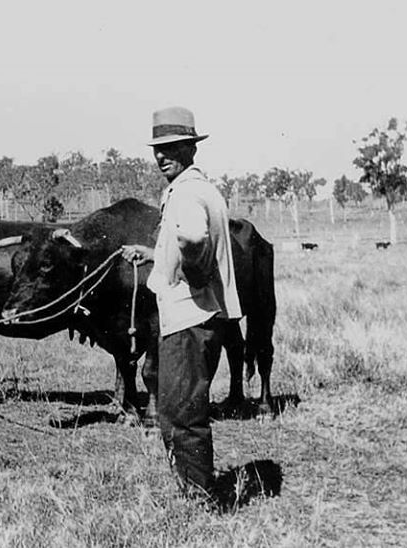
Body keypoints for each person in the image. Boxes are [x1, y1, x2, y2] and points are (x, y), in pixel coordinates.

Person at [121, 106, 242, 499]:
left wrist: (193, 273)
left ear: (191, 148)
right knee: (181, 406)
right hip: (203, 316)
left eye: (171, 147)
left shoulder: (185, 192)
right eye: (158, 148)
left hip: (188, 319)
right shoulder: (204, 188)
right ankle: (194, 488)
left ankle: (199, 498)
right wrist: (156, 252)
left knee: (180, 412)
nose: (161, 156)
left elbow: (192, 238)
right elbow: (185, 239)